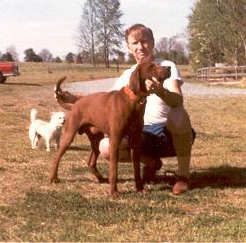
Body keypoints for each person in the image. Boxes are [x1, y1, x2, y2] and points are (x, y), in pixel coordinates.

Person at [61, 24, 194, 195]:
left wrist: (161, 92)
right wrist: (72, 99)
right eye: (135, 43)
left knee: (178, 113)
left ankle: (183, 177)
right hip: (141, 136)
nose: (140, 47)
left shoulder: (166, 66)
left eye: (144, 41)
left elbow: (178, 99)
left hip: (166, 135)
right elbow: (104, 102)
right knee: (106, 146)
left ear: (152, 42)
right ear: (129, 47)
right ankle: (152, 163)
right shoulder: (129, 75)